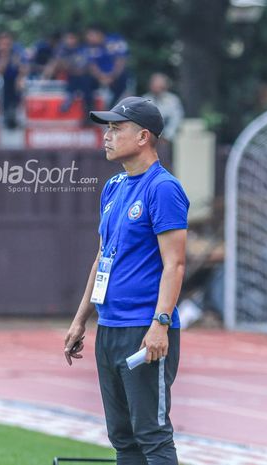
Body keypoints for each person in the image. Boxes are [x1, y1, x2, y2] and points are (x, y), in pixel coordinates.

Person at [64, 96, 189, 464]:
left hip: (143, 330)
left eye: (117, 128)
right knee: (123, 437)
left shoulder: (162, 188)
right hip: (110, 328)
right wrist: (80, 319)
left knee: (151, 434)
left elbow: (175, 264)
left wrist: (160, 324)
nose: (107, 135)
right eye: (107, 128)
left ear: (143, 137)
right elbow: (103, 257)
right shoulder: (114, 188)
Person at [0, 31, 28, 129]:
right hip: (3, 81)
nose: (5, 45)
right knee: (0, 83)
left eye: (7, 43)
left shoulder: (18, 50)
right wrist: (4, 56)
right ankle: (5, 113)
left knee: (19, 84)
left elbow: (24, 68)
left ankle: (17, 112)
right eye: (2, 43)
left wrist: (20, 76)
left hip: (16, 80)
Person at [84, 25, 129, 107]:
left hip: (115, 75)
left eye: (90, 35)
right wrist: (101, 77)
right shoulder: (90, 47)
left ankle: (112, 108)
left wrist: (112, 76)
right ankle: (89, 113)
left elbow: (120, 61)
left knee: (123, 78)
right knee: (86, 82)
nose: (88, 38)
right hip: (99, 77)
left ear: (99, 34)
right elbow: (92, 66)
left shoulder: (115, 41)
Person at [143, 73, 185, 142]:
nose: (157, 88)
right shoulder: (144, 100)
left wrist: (167, 136)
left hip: (169, 139)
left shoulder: (173, 100)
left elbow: (176, 119)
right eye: (155, 85)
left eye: (160, 85)